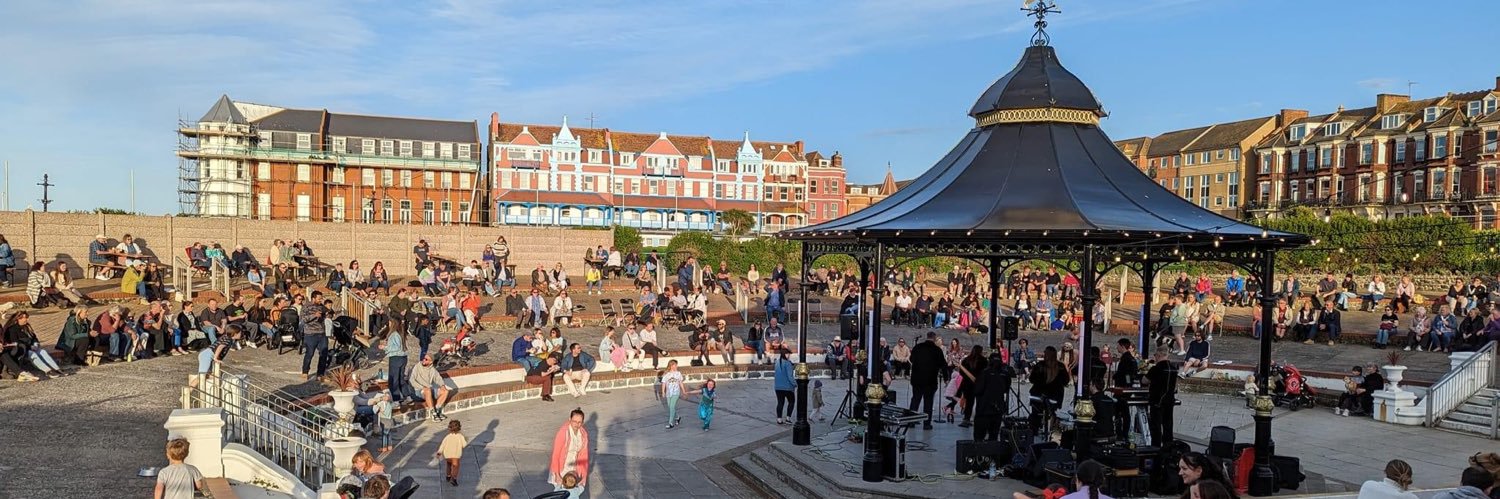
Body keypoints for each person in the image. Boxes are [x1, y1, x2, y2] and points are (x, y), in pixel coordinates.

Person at [909, 331, 947, 430]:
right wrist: (946, 378)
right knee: (928, 402)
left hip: (917, 379)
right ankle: (927, 424)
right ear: (934, 338)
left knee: (915, 400)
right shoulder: (937, 350)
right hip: (930, 380)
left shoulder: (917, 347)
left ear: (927, 337)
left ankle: (911, 421)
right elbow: (943, 365)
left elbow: (911, 359)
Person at [971, 356, 1012, 442]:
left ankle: (979, 453)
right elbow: (1006, 389)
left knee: (979, 436)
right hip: (998, 408)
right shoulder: (1005, 374)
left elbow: (978, 390)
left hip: (984, 408)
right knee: (993, 435)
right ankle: (992, 453)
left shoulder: (984, 373)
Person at [1029, 346, 1068, 431]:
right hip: (1055, 396)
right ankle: (1051, 429)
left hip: (1038, 394)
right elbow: (1066, 381)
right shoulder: (1060, 366)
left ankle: (1034, 430)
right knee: (1052, 410)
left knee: (1036, 413)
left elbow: (1031, 379)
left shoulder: (1039, 365)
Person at [191, 325, 241, 389]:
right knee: (201, 376)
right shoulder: (228, 339)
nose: (241, 334)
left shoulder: (228, 338)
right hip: (208, 355)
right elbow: (220, 347)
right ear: (235, 333)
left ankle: (210, 391)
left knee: (211, 375)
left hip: (207, 355)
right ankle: (187, 393)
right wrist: (216, 358)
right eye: (240, 333)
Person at [1143, 349, 1174, 447]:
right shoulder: (1173, 368)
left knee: (1156, 426)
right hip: (1169, 400)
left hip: (1157, 400)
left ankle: (1156, 447)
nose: (1154, 357)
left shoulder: (1156, 368)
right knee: (1168, 425)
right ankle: (1168, 446)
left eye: (1155, 355)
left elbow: (1145, 381)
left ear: (1159, 355)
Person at [410, 352, 451, 421]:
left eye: (426, 359)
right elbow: (412, 380)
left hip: (428, 390)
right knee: (428, 390)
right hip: (418, 391)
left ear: (431, 362)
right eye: (424, 358)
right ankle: (433, 413)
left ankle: (437, 410)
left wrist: (442, 385)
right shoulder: (417, 366)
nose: (423, 360)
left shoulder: (432, 369)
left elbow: (438, 378)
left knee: (445, 391)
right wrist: (422, 387)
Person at [432, 419, 467, 487]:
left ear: (450, 428)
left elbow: (442, 445)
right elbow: (464, 445)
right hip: (455, 455)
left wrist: (439, 452)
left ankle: (448, 476)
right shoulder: (460, 436)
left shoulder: (447, 437)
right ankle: (454, 479)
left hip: (447, 455)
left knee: (448, 465)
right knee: (455, 467)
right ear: (459, 428)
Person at [661, 359, 687, 428]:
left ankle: (670, 423)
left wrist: (683, 391)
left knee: (672, 407)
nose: (676, 366)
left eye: (676, 365)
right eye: (675, 365)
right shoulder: (666, 374)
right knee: (670, 407)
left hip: (676, 392)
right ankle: (677, 417)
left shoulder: (678, 373)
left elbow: (680, 382)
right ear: (671, 365)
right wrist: (663, 392)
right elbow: (663, 383)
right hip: (668, 393)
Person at [773, 349, 796, 424]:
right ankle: (788, 418)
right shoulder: (787, 363)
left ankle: (779, 419)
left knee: (780, 403)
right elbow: (790, 377)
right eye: (788, 354)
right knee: (791, 402)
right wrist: (795, 384)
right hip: (787, 387)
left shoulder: (777, 362)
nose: (789, 355)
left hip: (778, 387)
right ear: (785, 354)